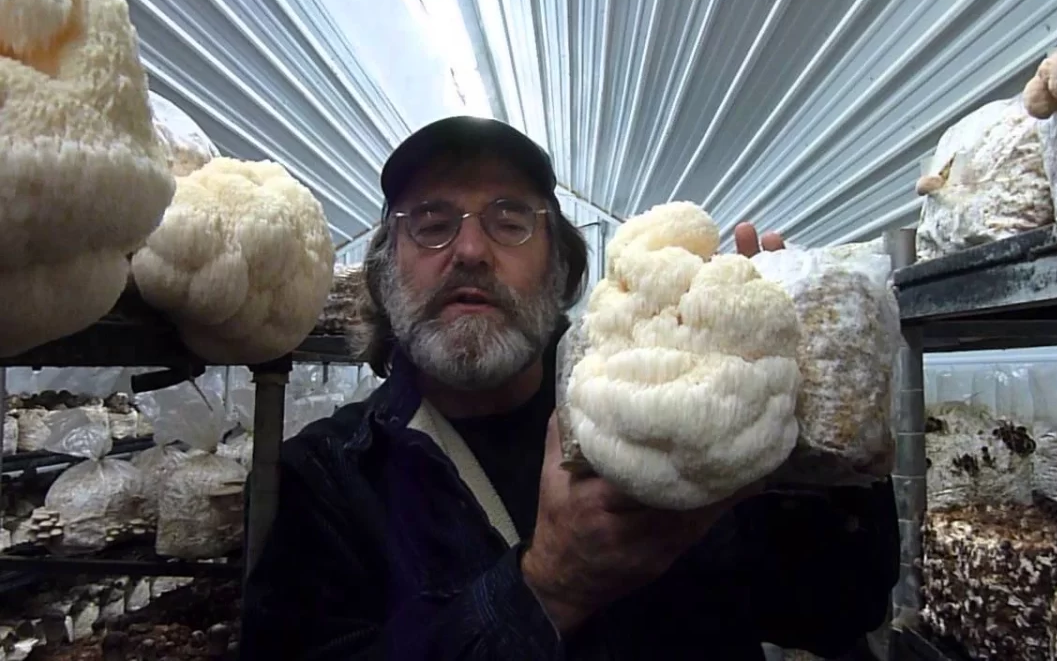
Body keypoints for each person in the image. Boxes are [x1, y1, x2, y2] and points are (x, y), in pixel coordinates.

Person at [239, 116, 900, 660]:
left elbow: (838, 605)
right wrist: (546, 589)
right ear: (384, 274)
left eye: (509, 219)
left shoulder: (682, 405)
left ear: (561, 267)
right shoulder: (329, 477)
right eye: (433, 222)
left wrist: (813, 428)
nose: (469, 249)